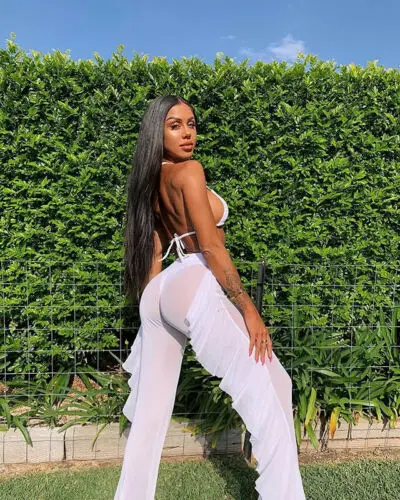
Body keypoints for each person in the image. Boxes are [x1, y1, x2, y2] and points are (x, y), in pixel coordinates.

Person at [114, 95, 306, 499]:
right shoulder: (190, 171)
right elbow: (212, 248)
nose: (187, 133)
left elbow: (155, 246)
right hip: (192, 279)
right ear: (156, 132)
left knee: (150, 415)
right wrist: (249, 311)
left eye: (191, 123)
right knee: (276, 383)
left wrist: (151, 304)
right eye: (175, 125)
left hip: (162, 289)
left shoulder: (152, 180)